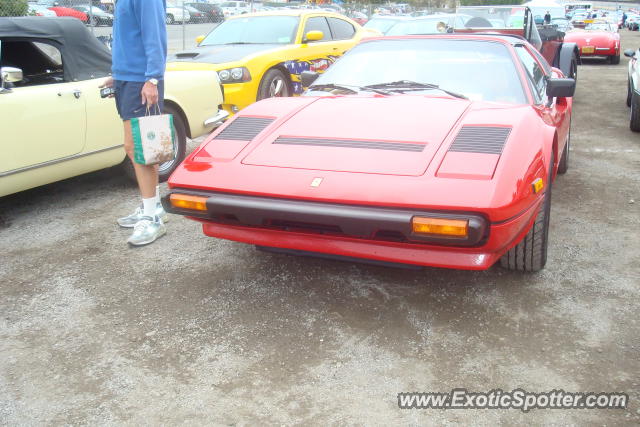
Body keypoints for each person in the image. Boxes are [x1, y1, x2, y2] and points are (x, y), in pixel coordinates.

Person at [100, 0, 168, 246]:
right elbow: (128, 39)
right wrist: (116, 74)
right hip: (126, 79)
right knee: (136, 148)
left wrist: (153, 79)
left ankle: (152, 218)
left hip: (140, 81)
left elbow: (155, 37)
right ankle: (154, 206)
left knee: (140, 149)